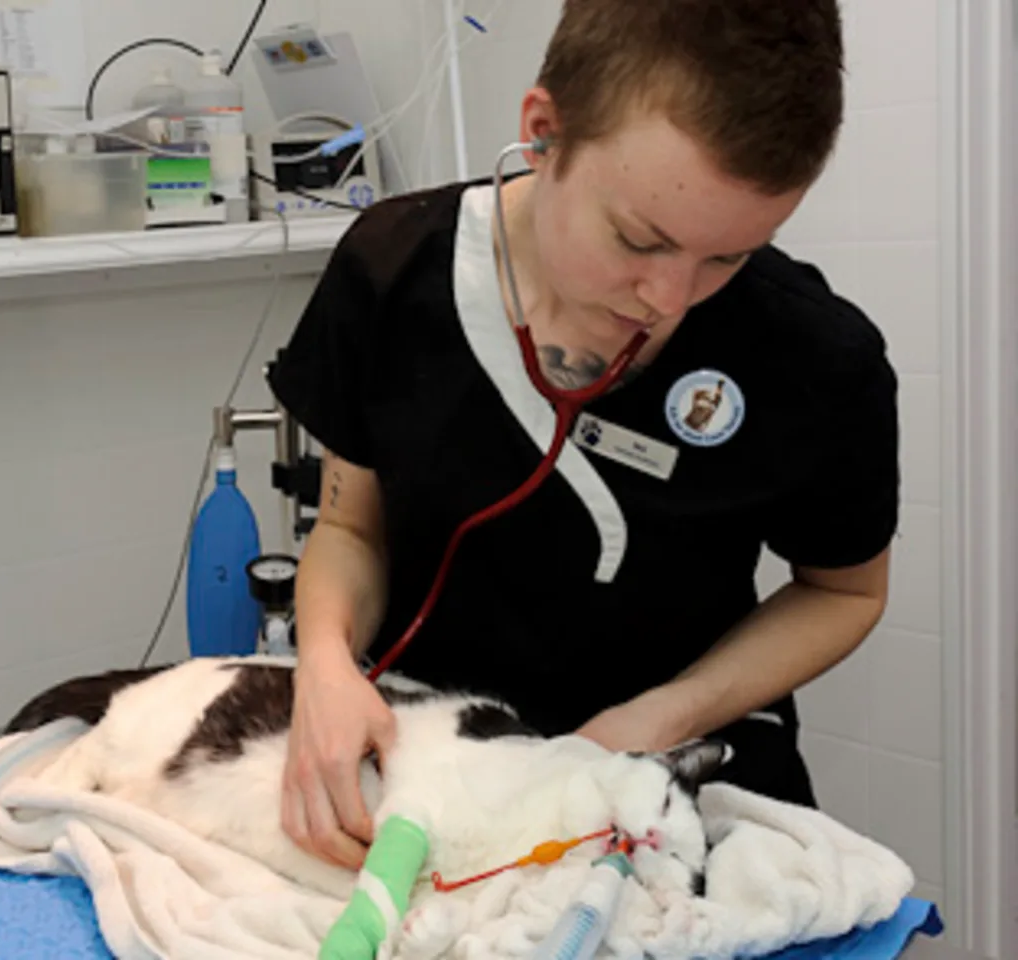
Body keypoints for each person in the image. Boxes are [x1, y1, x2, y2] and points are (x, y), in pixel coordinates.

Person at [265, 0, 899, 874]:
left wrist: (664, 717)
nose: (670, 297)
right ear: (542, 132)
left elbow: (846, 593)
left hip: (683, 763)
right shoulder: (390, 272)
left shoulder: (816, 356)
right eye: (641, 239)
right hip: (436, 755)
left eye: (729, 257)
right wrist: (327, 665)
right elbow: (348, 528)